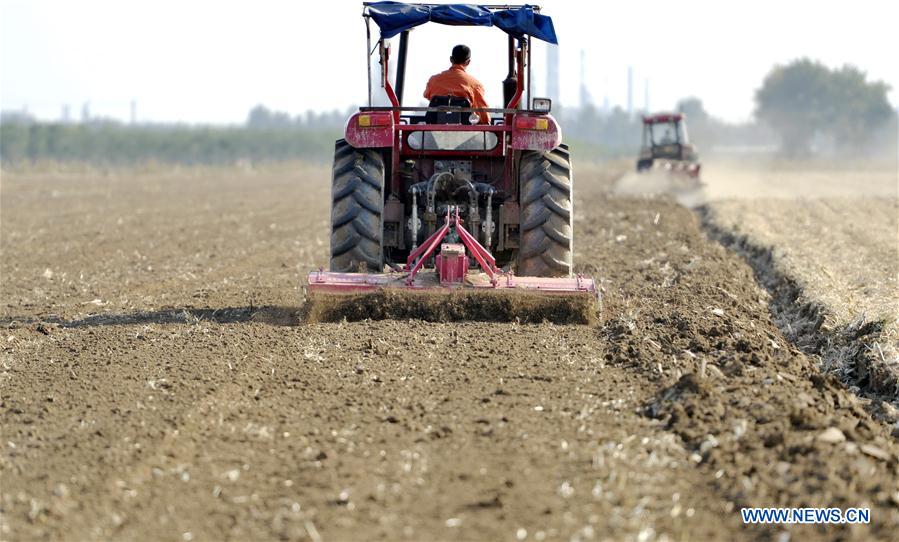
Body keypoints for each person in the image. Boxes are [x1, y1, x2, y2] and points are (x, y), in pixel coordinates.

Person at [424, 44, 490, 124]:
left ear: (451, 59)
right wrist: (487, 124)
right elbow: (482, 112)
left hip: (434, 129)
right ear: (468, 62)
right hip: (465, 131)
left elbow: (427, 95)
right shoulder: (475, 84)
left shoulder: (433, 80)